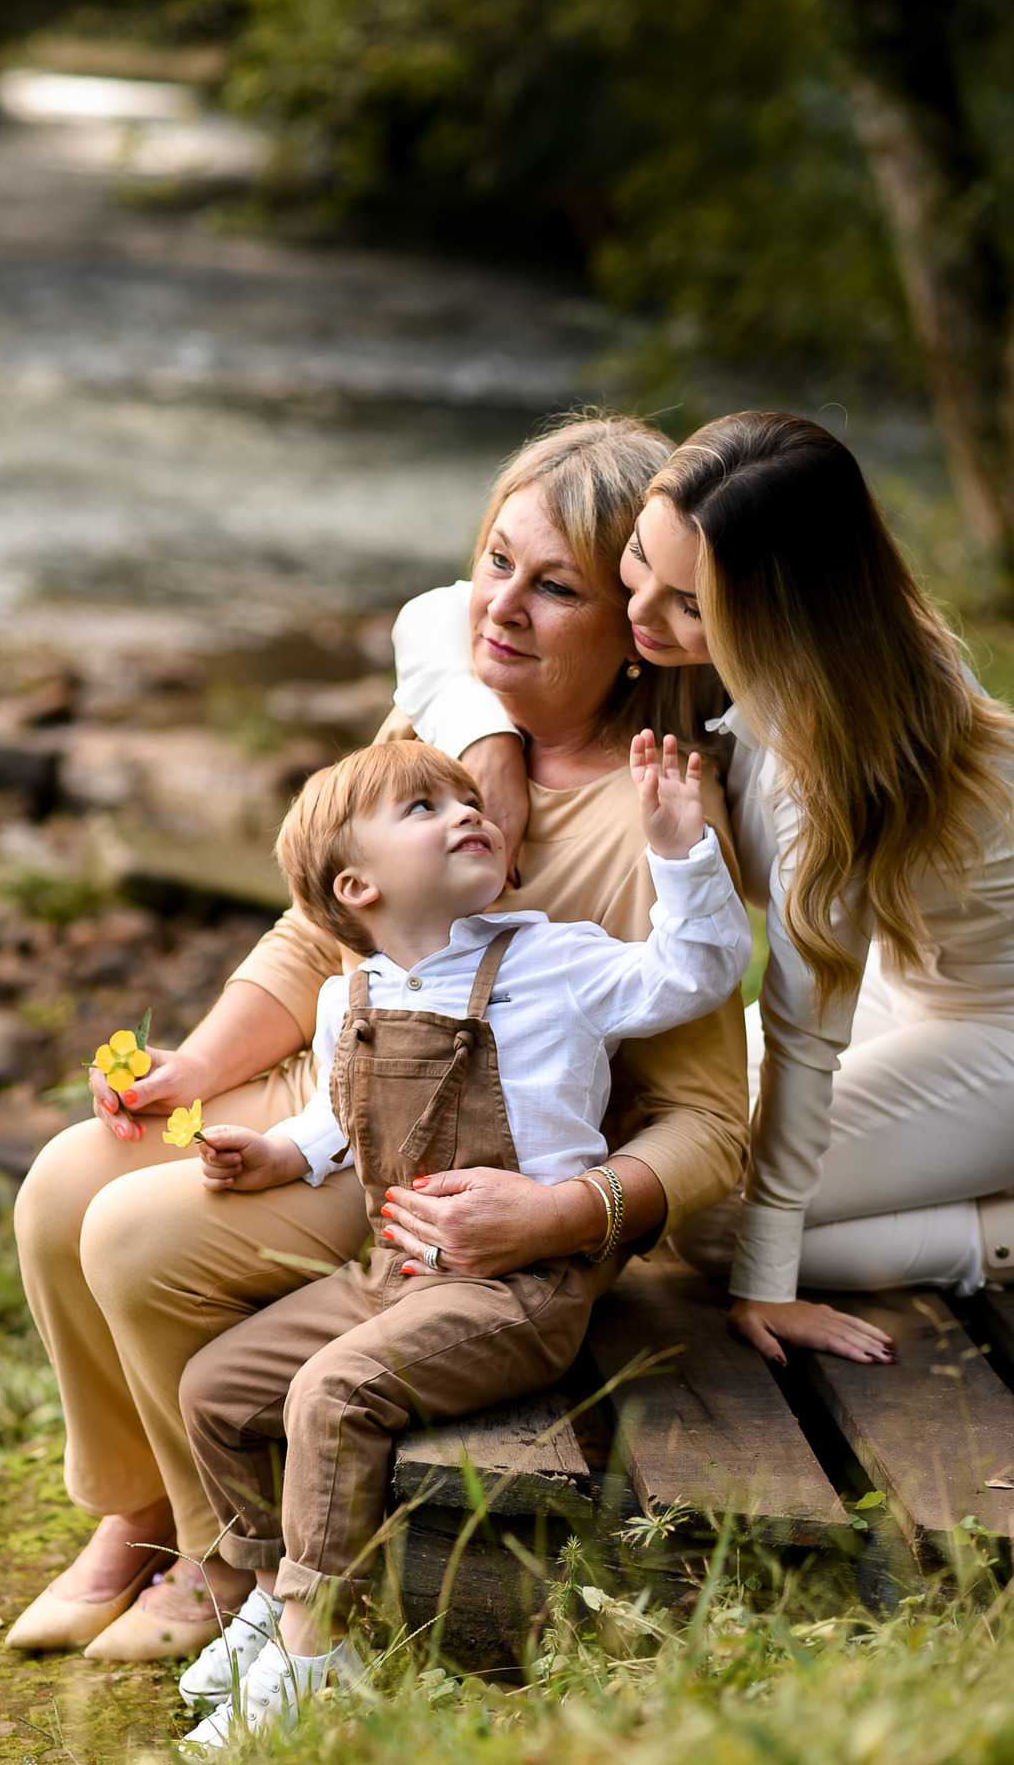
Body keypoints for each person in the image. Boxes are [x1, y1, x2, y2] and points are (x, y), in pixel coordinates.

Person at [6, 414, 750, 1661]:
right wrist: (195, 1071)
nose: (500, 606)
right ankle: (141, 1507)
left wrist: (564, 1214)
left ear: (636, 618)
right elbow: (317, 934)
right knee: (62, 1183)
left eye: (556, 587)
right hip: (341, 1081)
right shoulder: (448, 720)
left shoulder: (653, 815)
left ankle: (223, 1557)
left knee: (136, 1233)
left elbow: (712, 1123)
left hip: (467, 1153)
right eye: (496, 562)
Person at [392, 410, 1014, 1368]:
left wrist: (767, 1284)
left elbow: (806, 1033)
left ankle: (997, 1237)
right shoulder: (755, 641)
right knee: (666, 1145)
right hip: (907, 989)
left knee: (716, 1223)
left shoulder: (825, 762)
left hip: (992, 1026)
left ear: (776, 613)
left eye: (688, 604)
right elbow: (436, 613)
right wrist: (491, 741)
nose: (639, 614)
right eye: (638, 561)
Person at [172, 735, 749, 1749]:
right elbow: (341, 1117)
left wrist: (679, 854)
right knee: (215, 1389)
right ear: (357, 887)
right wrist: (273, 1153)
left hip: (520, 1288)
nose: (467, 812)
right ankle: (269, 1597)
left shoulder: (556, 959)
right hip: (393, 1272)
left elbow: (695, 974)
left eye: (463, 798)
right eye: (424, 808)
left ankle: (316, 1657)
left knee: (331, 1394)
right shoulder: (346, 998)